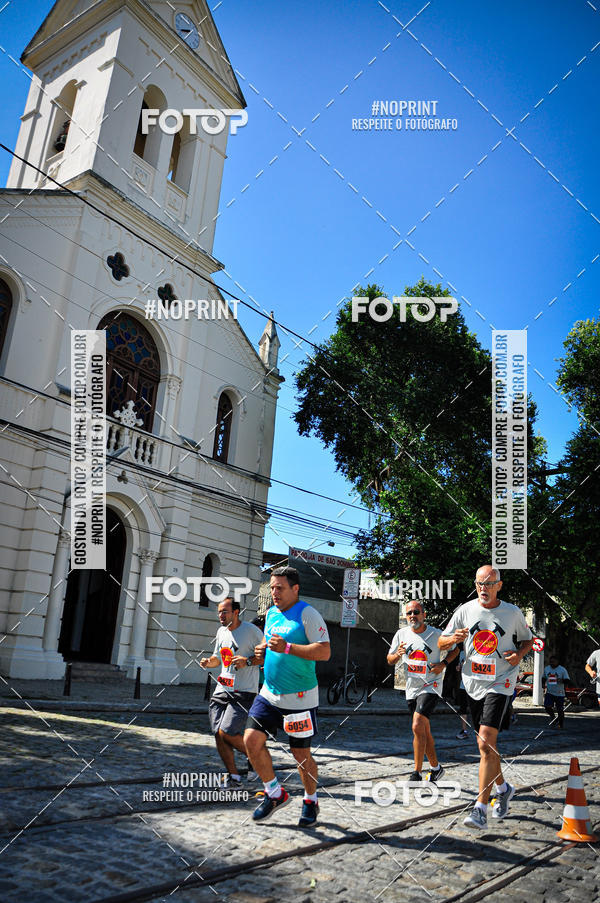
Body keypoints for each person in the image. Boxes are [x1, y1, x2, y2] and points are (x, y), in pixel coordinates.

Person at [439, 565, 534, 829]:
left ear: (499, 586)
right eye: (480, 583)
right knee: (487, 746)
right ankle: (503, 788)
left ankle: (480, 807)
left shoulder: (512, 613)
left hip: (501, 681)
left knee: (484, 742)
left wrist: (519, 655)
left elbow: (528, 640)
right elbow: (440, 642)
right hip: (472, 683)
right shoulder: (466, 610)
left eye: (489, 583)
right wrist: (451, 640)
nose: (484, 588)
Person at [244, 566, 331, 826]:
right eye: (271, 587)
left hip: (300, 699)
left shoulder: (308, 614)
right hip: (269, 694)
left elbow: (324, 652)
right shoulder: (271, 613)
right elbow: (271, 645)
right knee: (250, 741)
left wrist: (289, 647)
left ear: (295, 588)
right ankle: (274, 793)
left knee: (300, 755)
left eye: (279, 588)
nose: (274, 592)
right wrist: (261, 653)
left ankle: (310, 800)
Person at [388, 601, 458, 781]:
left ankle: (417, 772)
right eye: (409, 613)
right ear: (406, 616)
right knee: (423, 731)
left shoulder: (436, 634)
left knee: (417, 724)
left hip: (431, 685)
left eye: (416, 612)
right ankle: (436, 768)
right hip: (412, 688)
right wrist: (397, 654)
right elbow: (390, 659)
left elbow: (455, 649)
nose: (413, 615)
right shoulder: (401, 634)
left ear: (424, 615)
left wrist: (443, 664)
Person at [200, 597, 263, 785]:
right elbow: (217, 658)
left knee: (227, 731)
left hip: (244, 691)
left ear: (236, 612)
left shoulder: (252, 631)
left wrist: (248, 661)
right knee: (218, 735)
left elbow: (266, 657)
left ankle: (256, 758)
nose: (221, 615)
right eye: (219, 611)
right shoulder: (221, 632)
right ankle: (234, 776)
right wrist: (208, 662)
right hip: (222, 689)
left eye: (225, 611)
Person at [542, 655, 570, 728]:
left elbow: (568, 680)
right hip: (549, 692)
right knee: (547, 707)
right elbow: (544, 677)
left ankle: (561, 724)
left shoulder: (562, 670)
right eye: (550, 662)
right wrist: (543, 685)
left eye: (553, 662)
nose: (551, 663)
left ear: (557, 662)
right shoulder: (547, 668)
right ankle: (553, 717)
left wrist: (562, 680)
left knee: (560, 709)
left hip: (559, 693)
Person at [455, 648, 470, 739]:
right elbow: (459, 666)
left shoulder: (479, 652)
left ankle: (483, 732)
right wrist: (458, 667)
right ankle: (464, 730)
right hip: (463, 685)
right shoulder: (462, 653)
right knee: (463, 708)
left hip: (476, 687)